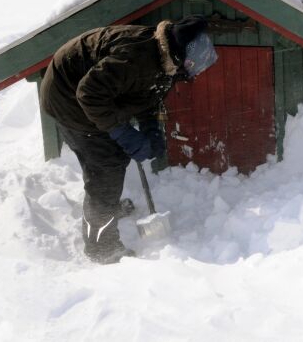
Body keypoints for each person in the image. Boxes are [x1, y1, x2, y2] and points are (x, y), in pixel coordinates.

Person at [39, 16, 217, 264]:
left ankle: (106, 208)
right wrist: (122, 132)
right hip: (69, 100)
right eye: (192, 65)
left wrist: (151, 129)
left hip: (95, 100)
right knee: (106, 170)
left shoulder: (165, 60)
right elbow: (88, 94)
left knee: (114, 158)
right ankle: (101, 246)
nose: (192, 72)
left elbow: (146, 94)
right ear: (179, 55)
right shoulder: (136, 58)